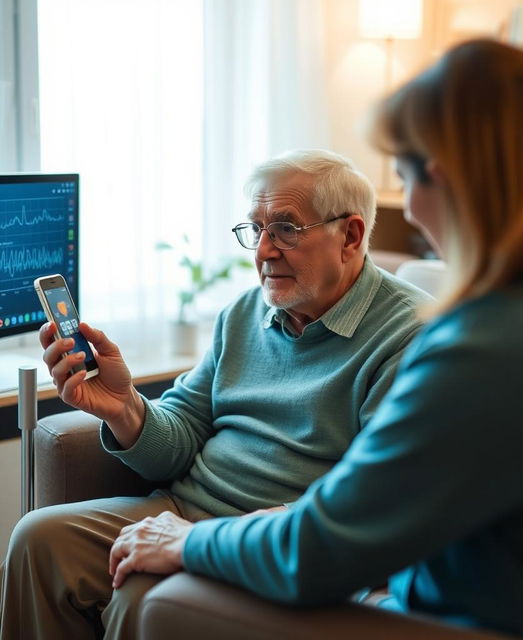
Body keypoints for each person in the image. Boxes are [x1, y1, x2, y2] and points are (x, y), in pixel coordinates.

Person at [82, 39, 523, 640]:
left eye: (403, 177)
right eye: (258, 229)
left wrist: (192, 541)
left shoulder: (487, 342)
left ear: (445, 178)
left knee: (165, 607)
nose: (416, 220)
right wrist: (129, 411)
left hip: (471, 617)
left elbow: (323, 545)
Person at [0, 148, 430, 639]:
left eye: (286, 229)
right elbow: (179, 440)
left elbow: (375, 501)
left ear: (350, 236)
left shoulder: (410, 336)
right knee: (37, 539)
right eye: (257, 229)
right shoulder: (244, 313)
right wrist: (124, 409)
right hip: (181, 509)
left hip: (271, 544)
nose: (264, 251)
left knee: (141, 596)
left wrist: (202, 540)